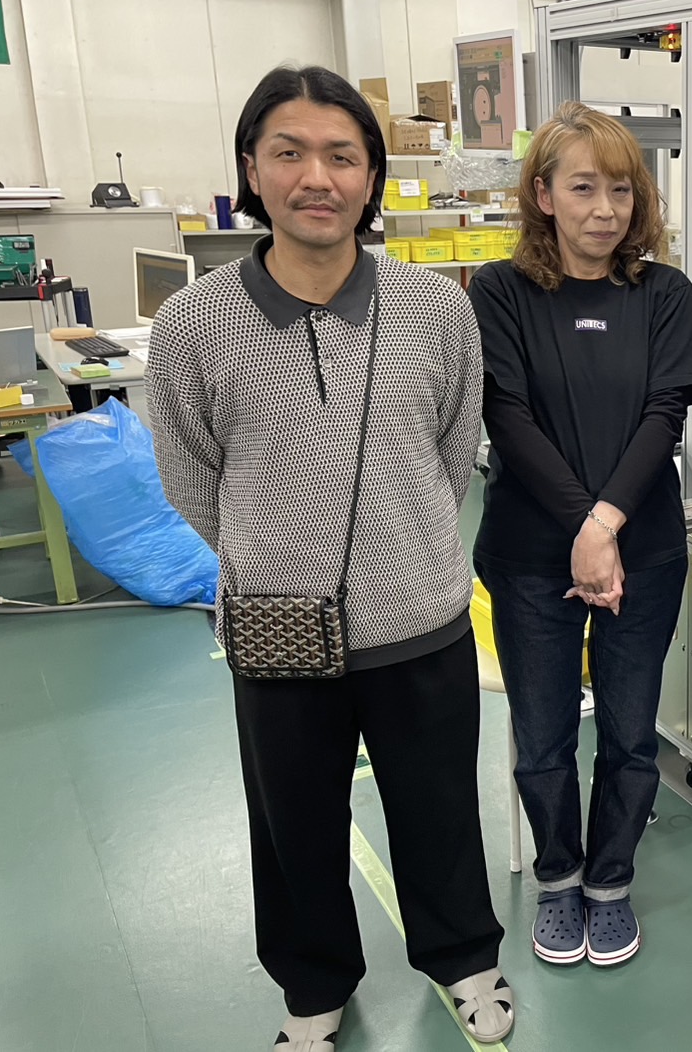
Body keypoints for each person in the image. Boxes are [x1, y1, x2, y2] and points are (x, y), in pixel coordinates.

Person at [145, 66, 512, 1052]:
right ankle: (312, 986)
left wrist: (403, 546)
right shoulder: (192, 324)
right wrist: (272, 556)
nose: (318, 177)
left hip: (421, 618)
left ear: (371, 177)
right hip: (275, 629)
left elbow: (451, 451)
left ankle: (463, 957)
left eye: (342, 156)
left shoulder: (436, 309)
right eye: (290, 153)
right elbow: (189, 474)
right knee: (291, 822)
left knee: (440, 809)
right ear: (250, 171)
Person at [469, 101, 692, 969]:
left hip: (640, 551)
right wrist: (584, 526)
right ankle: (558, 875)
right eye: (582, 188)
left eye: (620, 189)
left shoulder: (663, 295)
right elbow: (506, 415)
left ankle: (610, 880)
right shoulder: (499, 292)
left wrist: (603, 524)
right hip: (529, 556)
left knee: (630, 732)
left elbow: (664, 415)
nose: (605, 209)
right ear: (543, 195)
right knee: (541, 736)